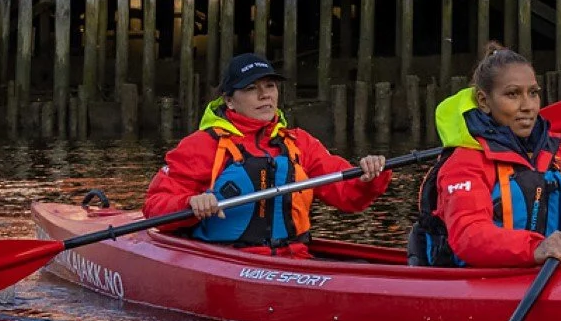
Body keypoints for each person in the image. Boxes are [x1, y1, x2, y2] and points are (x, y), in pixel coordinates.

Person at [144, 53, 390, 255]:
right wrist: (190, 203)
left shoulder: (299, 143)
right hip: (228, 259)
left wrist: (371, 174)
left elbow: (349, 195)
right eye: (251, 88)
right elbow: (154, 206)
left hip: (295, 258)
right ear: (229, 101)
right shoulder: (202, 146)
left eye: (270, 86)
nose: (265, 95)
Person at [411, 48, 561, 269]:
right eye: (513, 94)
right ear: (484, 101)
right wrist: (535, 249)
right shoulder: (465, 162)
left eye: (533, 93)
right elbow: (469, 235)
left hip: (546, 273)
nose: (527, 106)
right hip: (478, 282)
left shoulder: (554, 156)